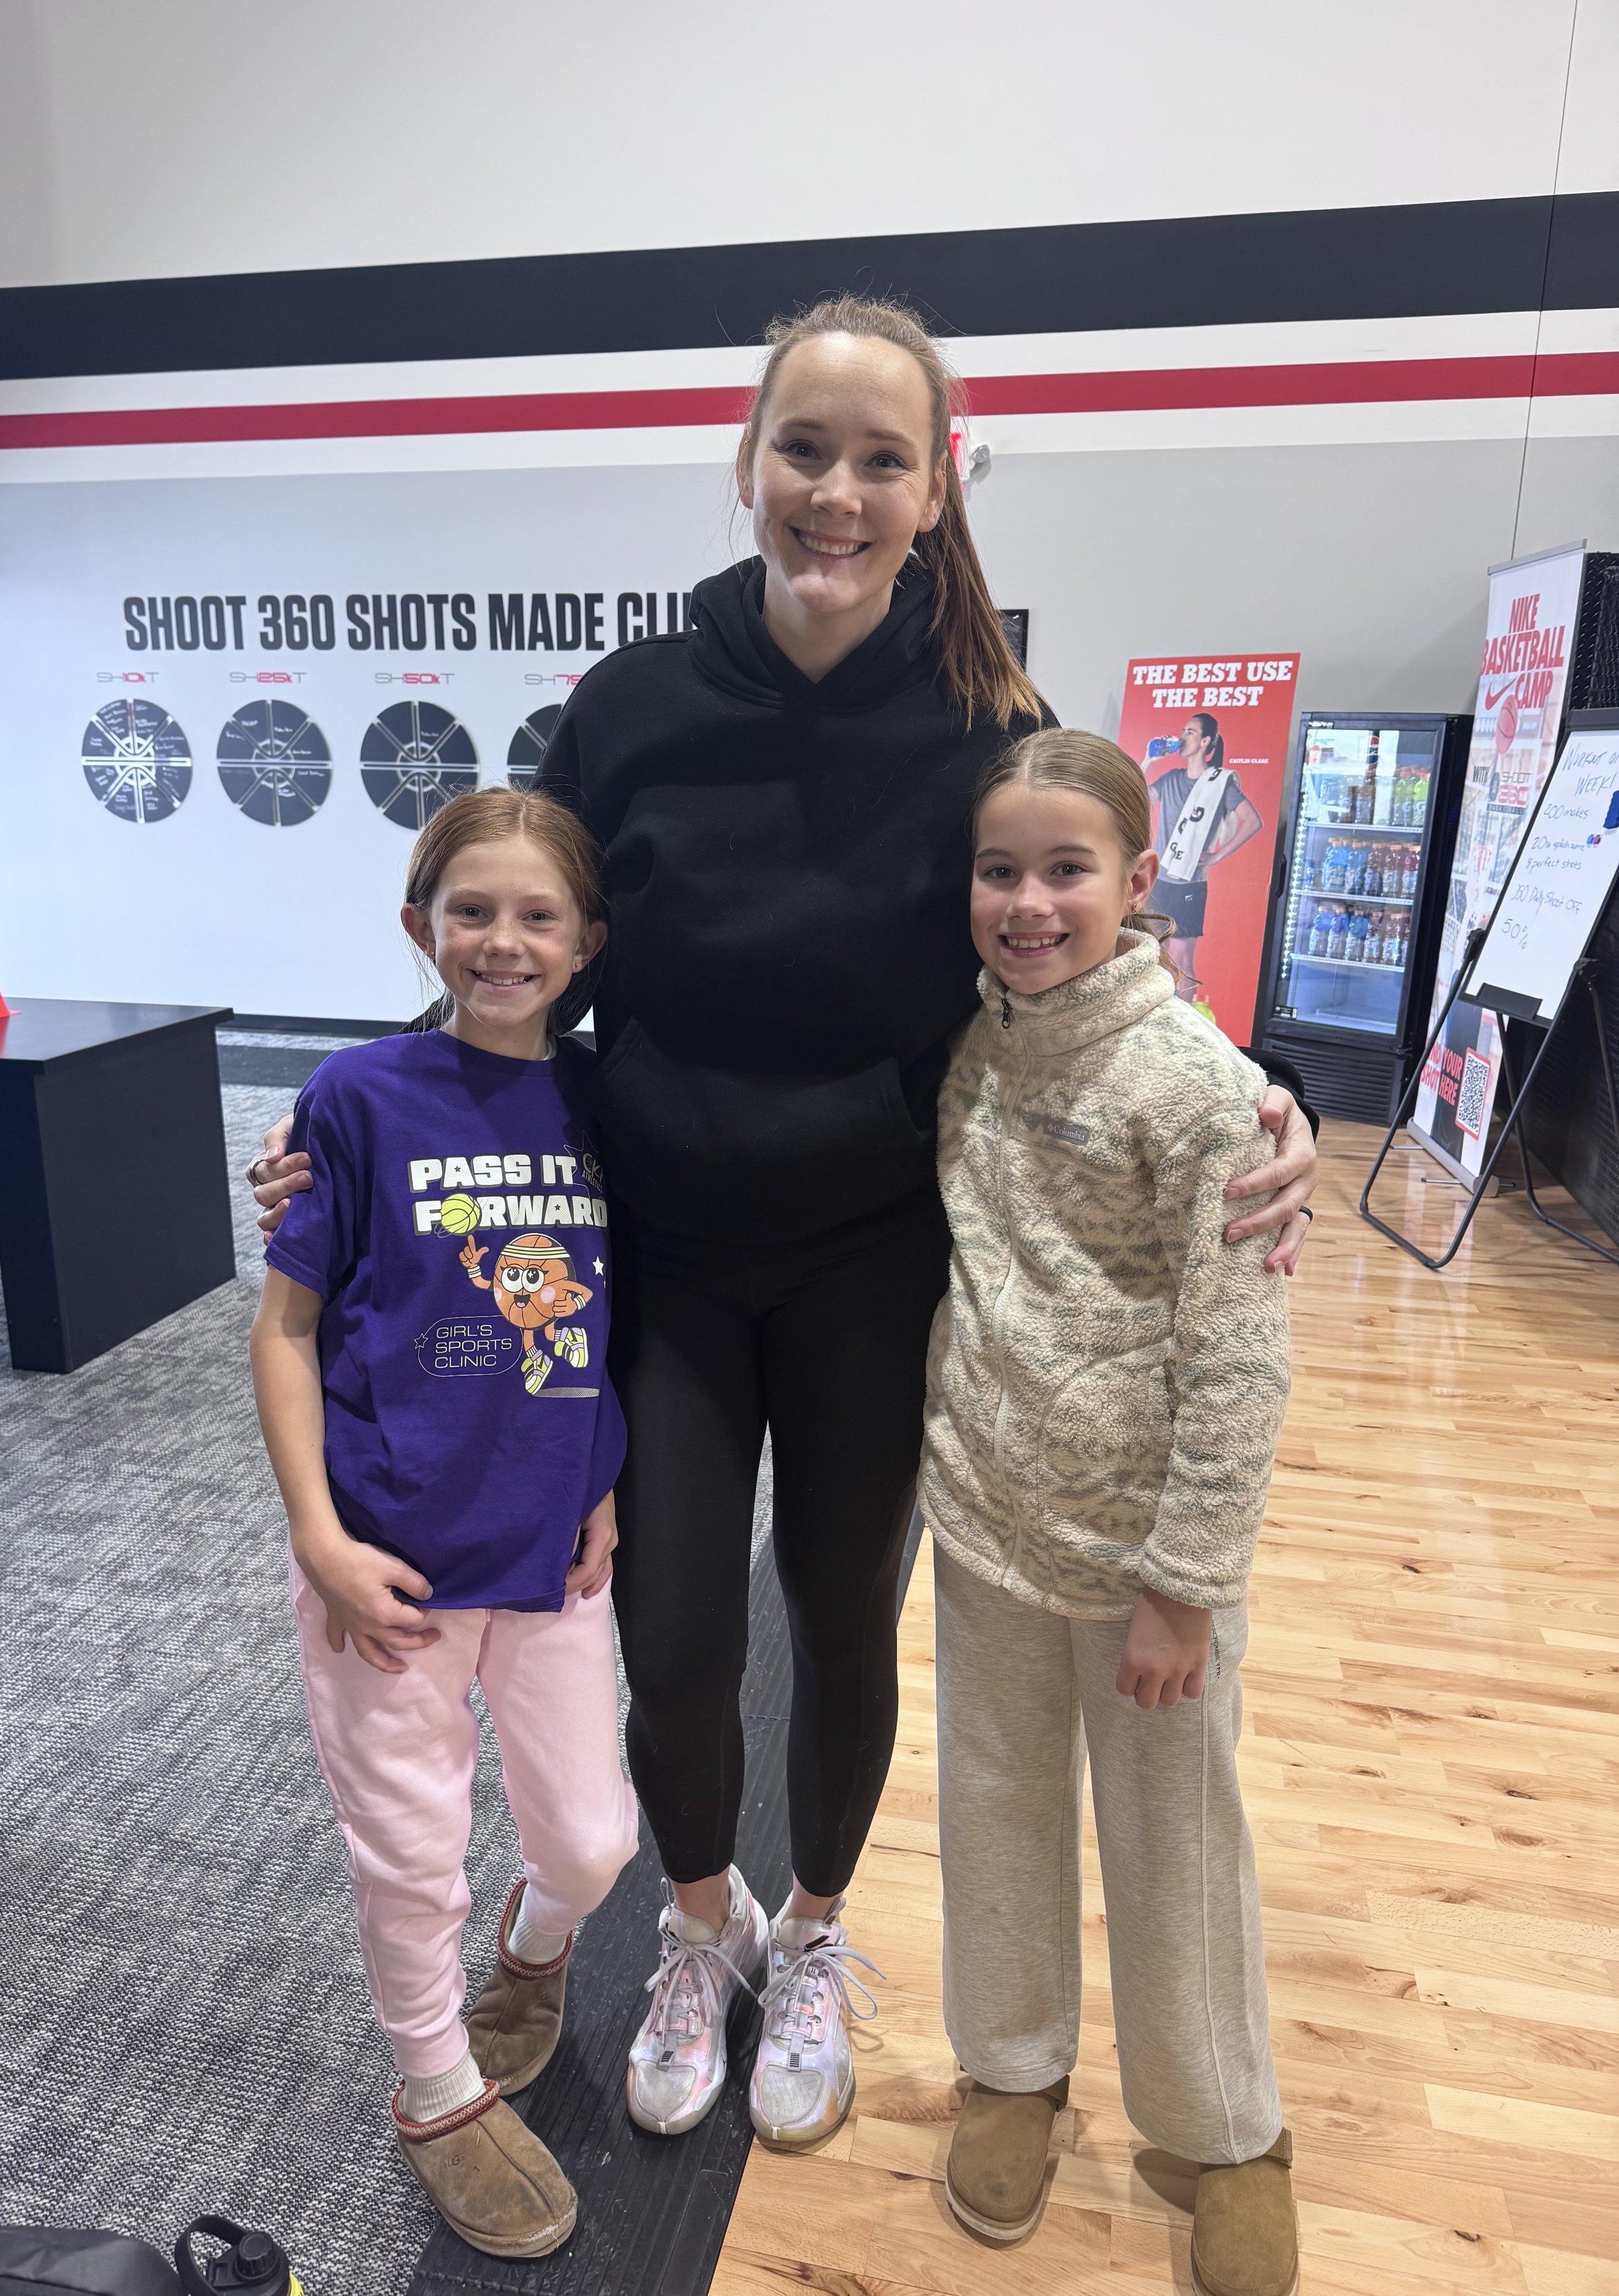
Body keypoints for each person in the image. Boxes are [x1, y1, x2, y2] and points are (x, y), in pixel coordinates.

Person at [249, 294, 1321, 2156]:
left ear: (936, 483)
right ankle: (693, 1931)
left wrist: (1259, 1089)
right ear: (745, 462)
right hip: (652, 1260)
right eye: (802, 450)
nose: (834, 492)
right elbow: (529, 962)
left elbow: (1073, 928)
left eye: (879, 458)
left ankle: (812, 1933)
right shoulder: (634, 709)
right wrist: (359, 1126)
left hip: (868, 1260)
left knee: (836, 1616)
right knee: (664, 1636)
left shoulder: (985, 715)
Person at [923, 729, 1297, 2296]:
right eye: (1000, 870)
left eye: (1065, 870)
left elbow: (1237, 1362)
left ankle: (1224, 2133)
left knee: (1175, 1846)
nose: (1027, 901)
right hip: (987, 1527)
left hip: (1148, 1568)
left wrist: (1187, 1586)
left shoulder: (1200, 1092)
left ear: (1140, 882)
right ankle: (1012, 2070)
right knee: (995, 1818)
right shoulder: (971, 1043)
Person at [248, 789, 638, 2259]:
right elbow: (284, 1333)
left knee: (591, 1841)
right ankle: (431, 2084)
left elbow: (609, 1314)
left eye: (538, 914)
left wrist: (599, 1475)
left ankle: (530, 1959)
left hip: (551, 1552)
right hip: (388, 1564)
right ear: (422, 925)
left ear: (587, 942)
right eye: (471, 909)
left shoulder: (604, 1101)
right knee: (410, 1853)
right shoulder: (353, 1097)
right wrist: (316, 1536)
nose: (502, 939)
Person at [1148, 711, 1264, 1002]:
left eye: (1190, 732)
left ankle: (1185, 1029)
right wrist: (1150, 759)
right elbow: (1133, 794)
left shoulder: (1220, 783)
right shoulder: (1171, 779)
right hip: (1159, 880)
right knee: (1153, 956)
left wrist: (1217, 857)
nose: (1182, 736)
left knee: (1181, 961)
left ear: (1206, 741)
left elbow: (1252, 820)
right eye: (1183, 730)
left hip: (1190, 884)